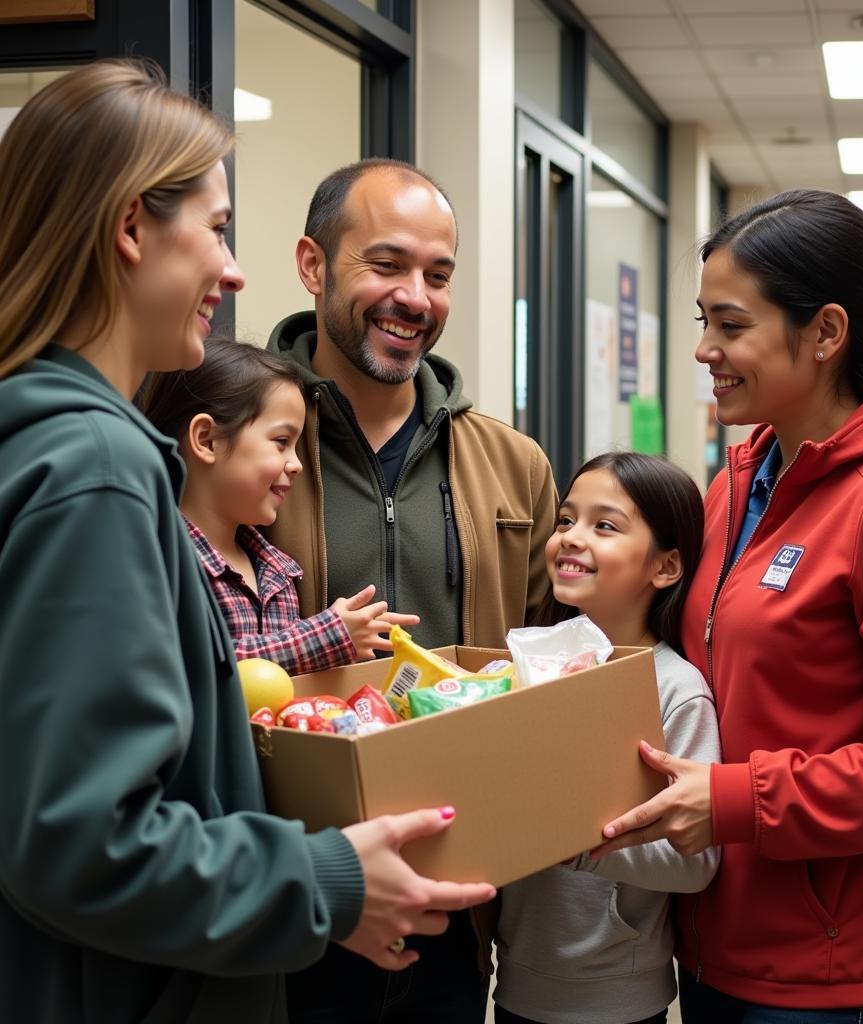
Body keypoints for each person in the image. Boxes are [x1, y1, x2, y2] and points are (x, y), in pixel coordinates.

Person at [0, 60, 494, 1024]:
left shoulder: (42, 435)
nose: (232, 270)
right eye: (218, 229)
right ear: (132, 228)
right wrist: (322, 878)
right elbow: (82, 842)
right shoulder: (95, 469)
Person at [596, 189, 863, 1023]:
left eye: (732, 325)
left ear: (824, 333)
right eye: (703, 321)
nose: (705, 349)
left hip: (832, 968)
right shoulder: (736, 486)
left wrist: (737, 800)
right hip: (717, 940)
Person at [265, 158, 558, 1022]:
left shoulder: (514, 464)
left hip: (455, 905)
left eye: (438, 275)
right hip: (287, 903)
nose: (415, 298)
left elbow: (546, 665)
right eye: (386, 265)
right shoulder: (230, 439)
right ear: (314, 266)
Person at [493, 452, 722, 1024]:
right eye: (566, 520)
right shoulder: (526, 665)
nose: (571, 538)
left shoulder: (674, 688)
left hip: (617, 992)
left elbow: (696, 862)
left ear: (665, 567)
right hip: (515, 978)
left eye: (605, 525)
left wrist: (576, 842)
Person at [140, 337, 419, 673]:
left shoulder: (279, 572)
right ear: (207, 439)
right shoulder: (157, 558)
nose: (296, 463)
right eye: (282, 443)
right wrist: (325, 638)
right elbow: (189, 667)